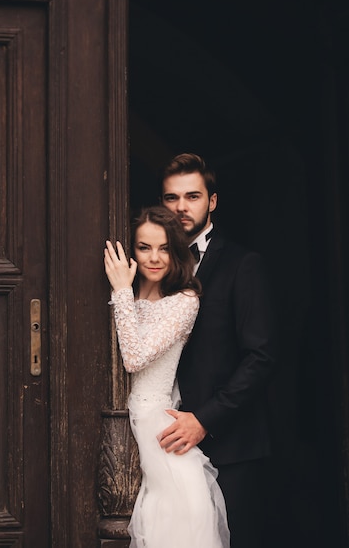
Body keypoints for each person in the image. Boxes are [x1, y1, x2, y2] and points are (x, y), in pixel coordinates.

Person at [159, 153, 276, 548]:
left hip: (231, 448)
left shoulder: (244, 265)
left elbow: (260, 357)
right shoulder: (153, 265)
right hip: (168, 447)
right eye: (171, 198)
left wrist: (205, 419)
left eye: (192, 196)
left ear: (212, 201)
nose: (180, 207)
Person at [104, 206, 230, 548]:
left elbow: (135, 357)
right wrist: (124, 293)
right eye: (144, 247)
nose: (154, 257)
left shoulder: (184, 300)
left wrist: (120, 291)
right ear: (133, 250)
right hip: (124, 429)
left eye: (164, 248)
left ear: (176, 251)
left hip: (159, 433)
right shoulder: (128, 295)